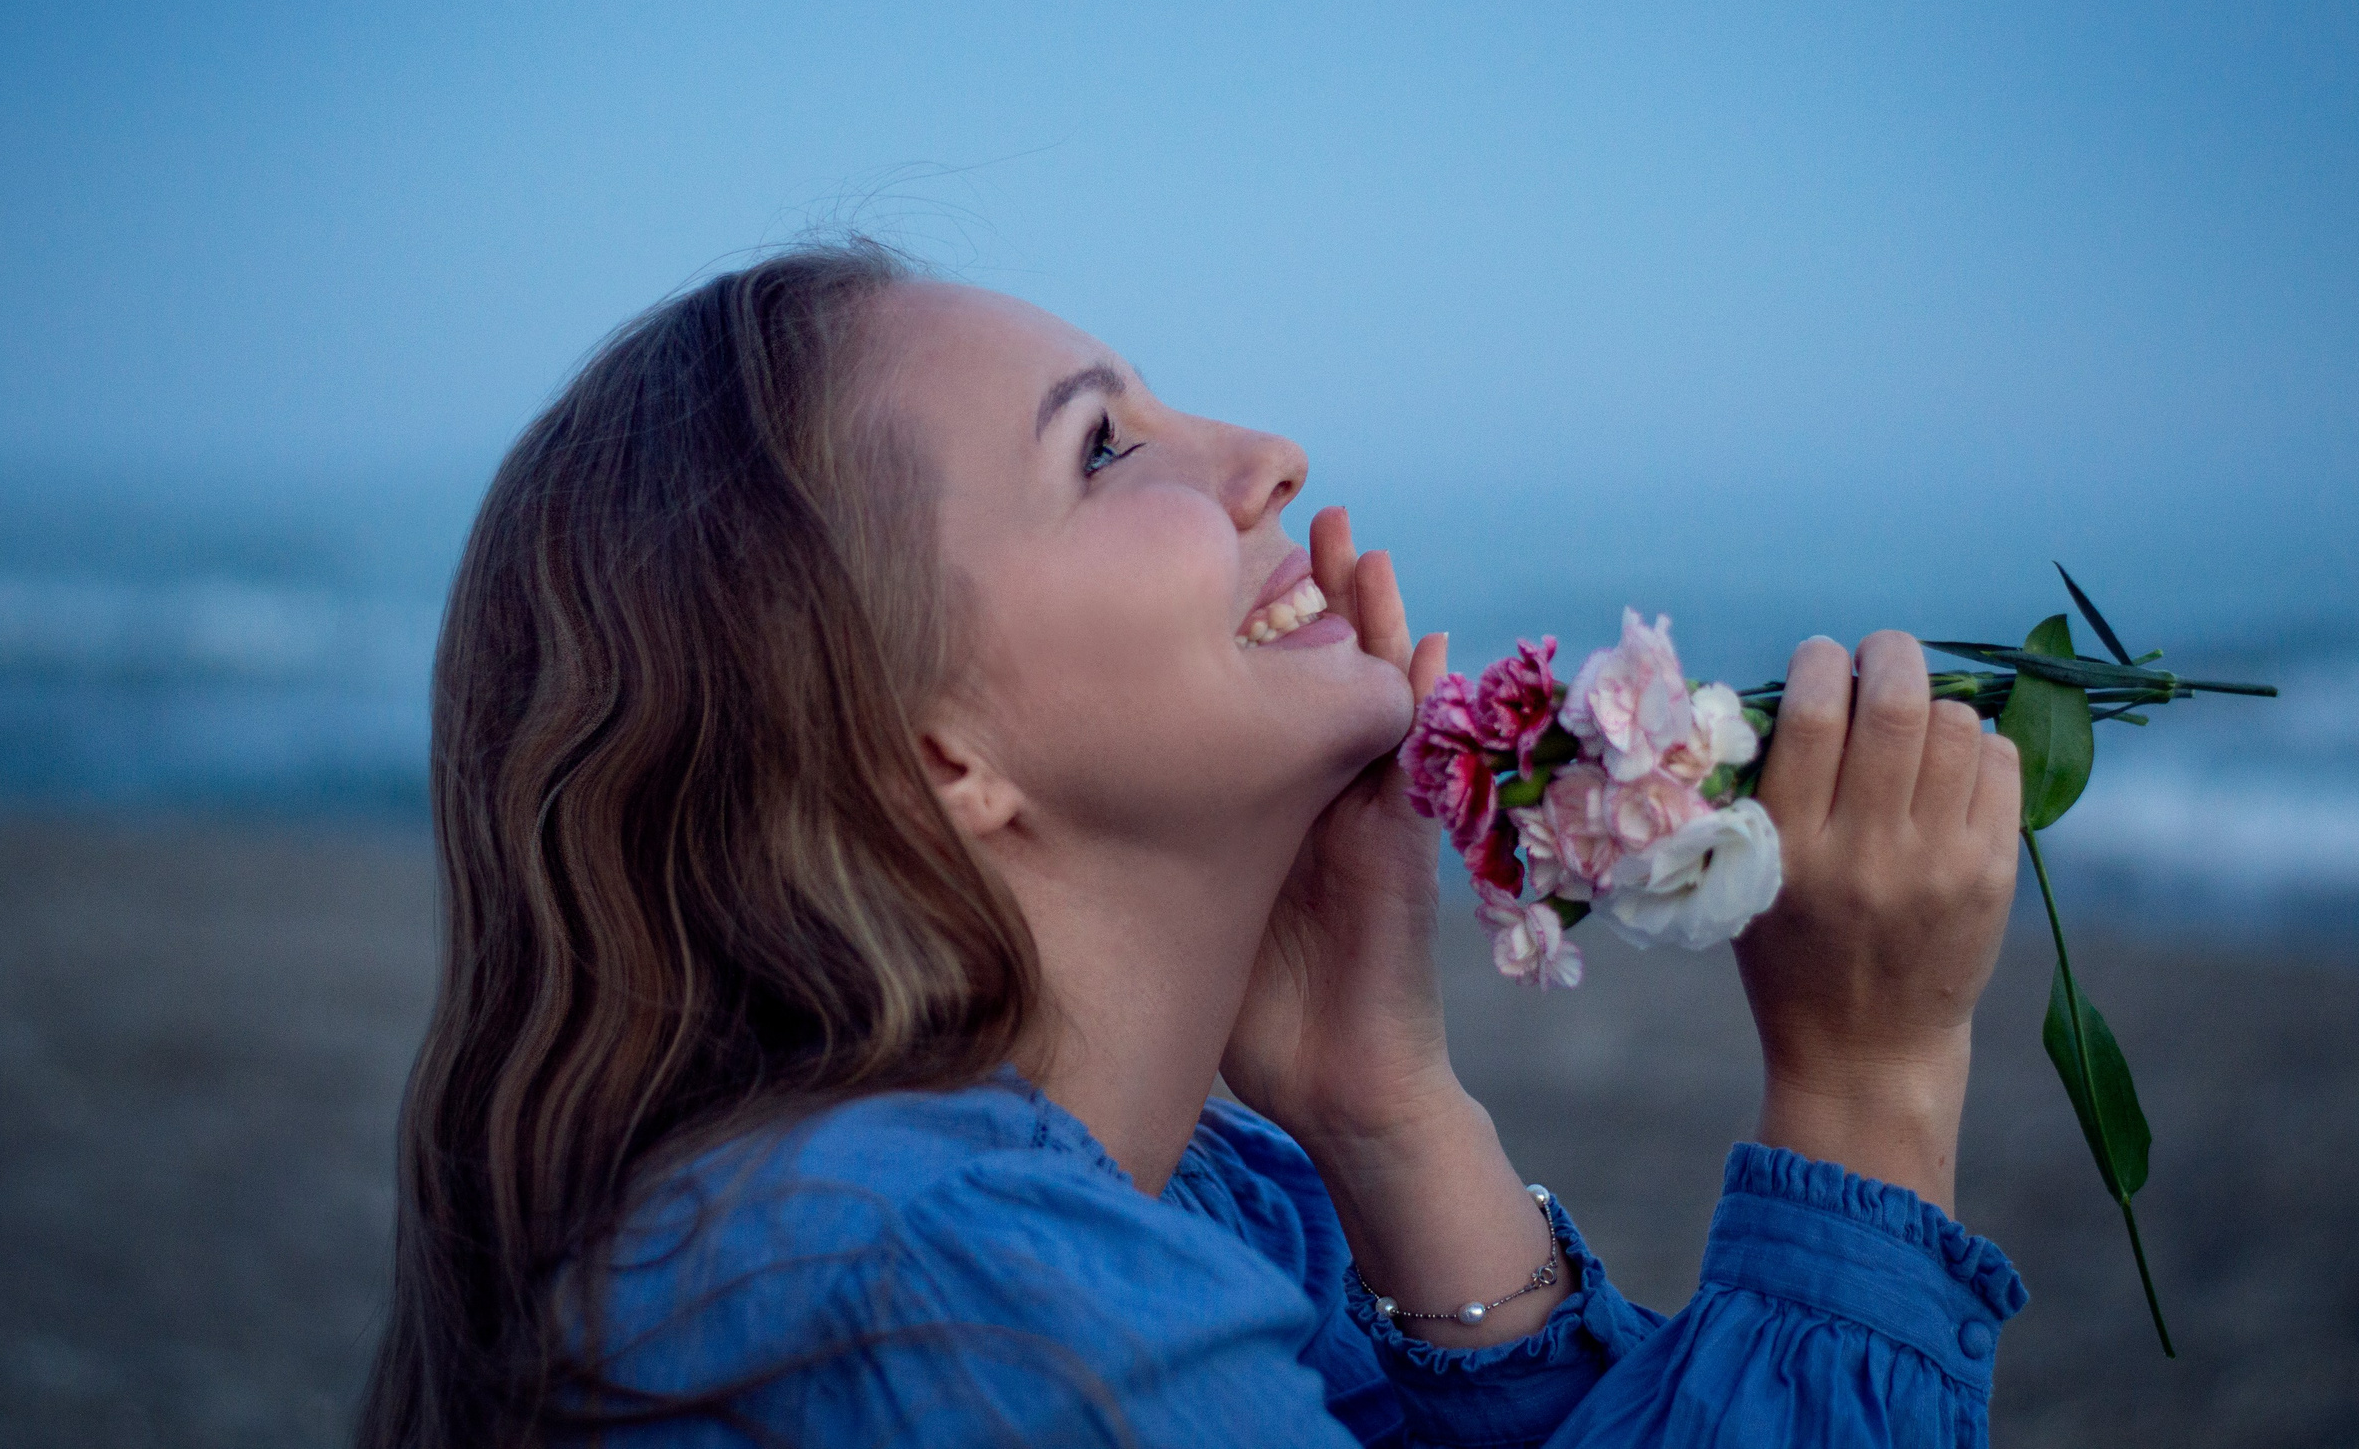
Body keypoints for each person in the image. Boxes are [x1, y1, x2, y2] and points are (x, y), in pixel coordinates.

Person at [359, 243, 2028, 1448]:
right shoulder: (944, 1288)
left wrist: (1387, 1107)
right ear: (938, 753)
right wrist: (1865, 1093)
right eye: (1102, 446)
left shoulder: (1187, 1205)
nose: (1268, 458)